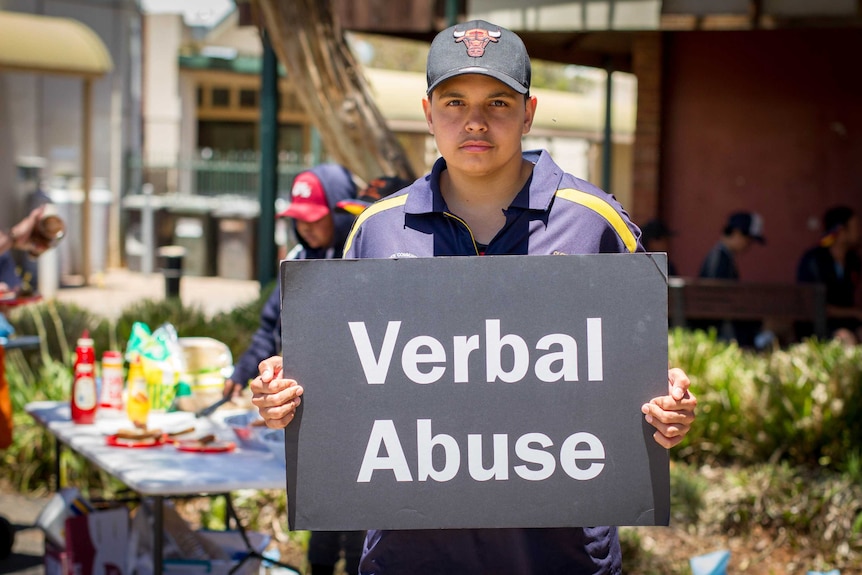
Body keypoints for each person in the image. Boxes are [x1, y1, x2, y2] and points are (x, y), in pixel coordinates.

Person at [250, 19, 696, 574]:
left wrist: (667, 404)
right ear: (428, 112)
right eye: (455, 101)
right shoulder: (376, 230)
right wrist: (287, 393)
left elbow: (641, 374)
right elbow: (343, 384)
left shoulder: (596, 222)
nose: (476, 121)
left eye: (500, 103)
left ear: (529, 113)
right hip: (409, 555)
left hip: (559, 557)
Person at [223, 167, 407, 575]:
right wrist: (242, 371)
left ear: (341, 214)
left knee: (359, 520)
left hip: (367, 415)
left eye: (315, 218)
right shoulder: (300, 262)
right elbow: (271, 329)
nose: (306, 229)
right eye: (298, 220)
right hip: (316, 416)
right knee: (322, 514)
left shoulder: (369, 257)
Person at [697, 211, 767, 347]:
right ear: (736, 233)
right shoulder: (721, 259)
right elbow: (719, 300)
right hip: (721, 327)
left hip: (715, 321)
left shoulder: (719, 256)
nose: (749, 245)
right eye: (749, 239)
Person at [796, 205, 862, 345]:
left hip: (849, 324)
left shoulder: (853, 261)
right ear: (841, 231)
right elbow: (815, 305)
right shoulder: (814, 260)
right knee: (845, 338)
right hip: (818, 327)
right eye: (856, 226)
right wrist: (855, 312)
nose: (859, 232)